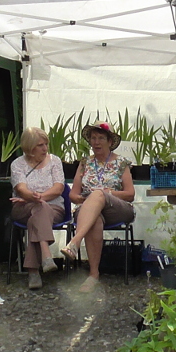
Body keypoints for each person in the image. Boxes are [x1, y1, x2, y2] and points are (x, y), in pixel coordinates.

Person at [60, 121, 135, 293]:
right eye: (93, 138)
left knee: (98, 194)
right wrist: (81, 198)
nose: (96, 142)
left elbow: (130, 194)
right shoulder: (85, 162)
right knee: (95, 220)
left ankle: (75, 241)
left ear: (110, 142)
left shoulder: (122, 162)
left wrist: (107, 193)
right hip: (90, 210)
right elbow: (73, 194)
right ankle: (93, 275)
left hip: (117, 208)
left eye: (101, 138)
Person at [10, 127, 66, 290]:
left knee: (39, 212)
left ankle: (33, 272)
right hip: (23, 207)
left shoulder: (55, 161)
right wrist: (30, 197)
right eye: (40, 145)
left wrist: (38, 197)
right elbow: (21, 189)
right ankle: (45, 254)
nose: (45, 148)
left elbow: (58, 188)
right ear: (29, 147)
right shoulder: (17, 164)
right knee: (38, 208)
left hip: (53, 207)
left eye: (46, 144)